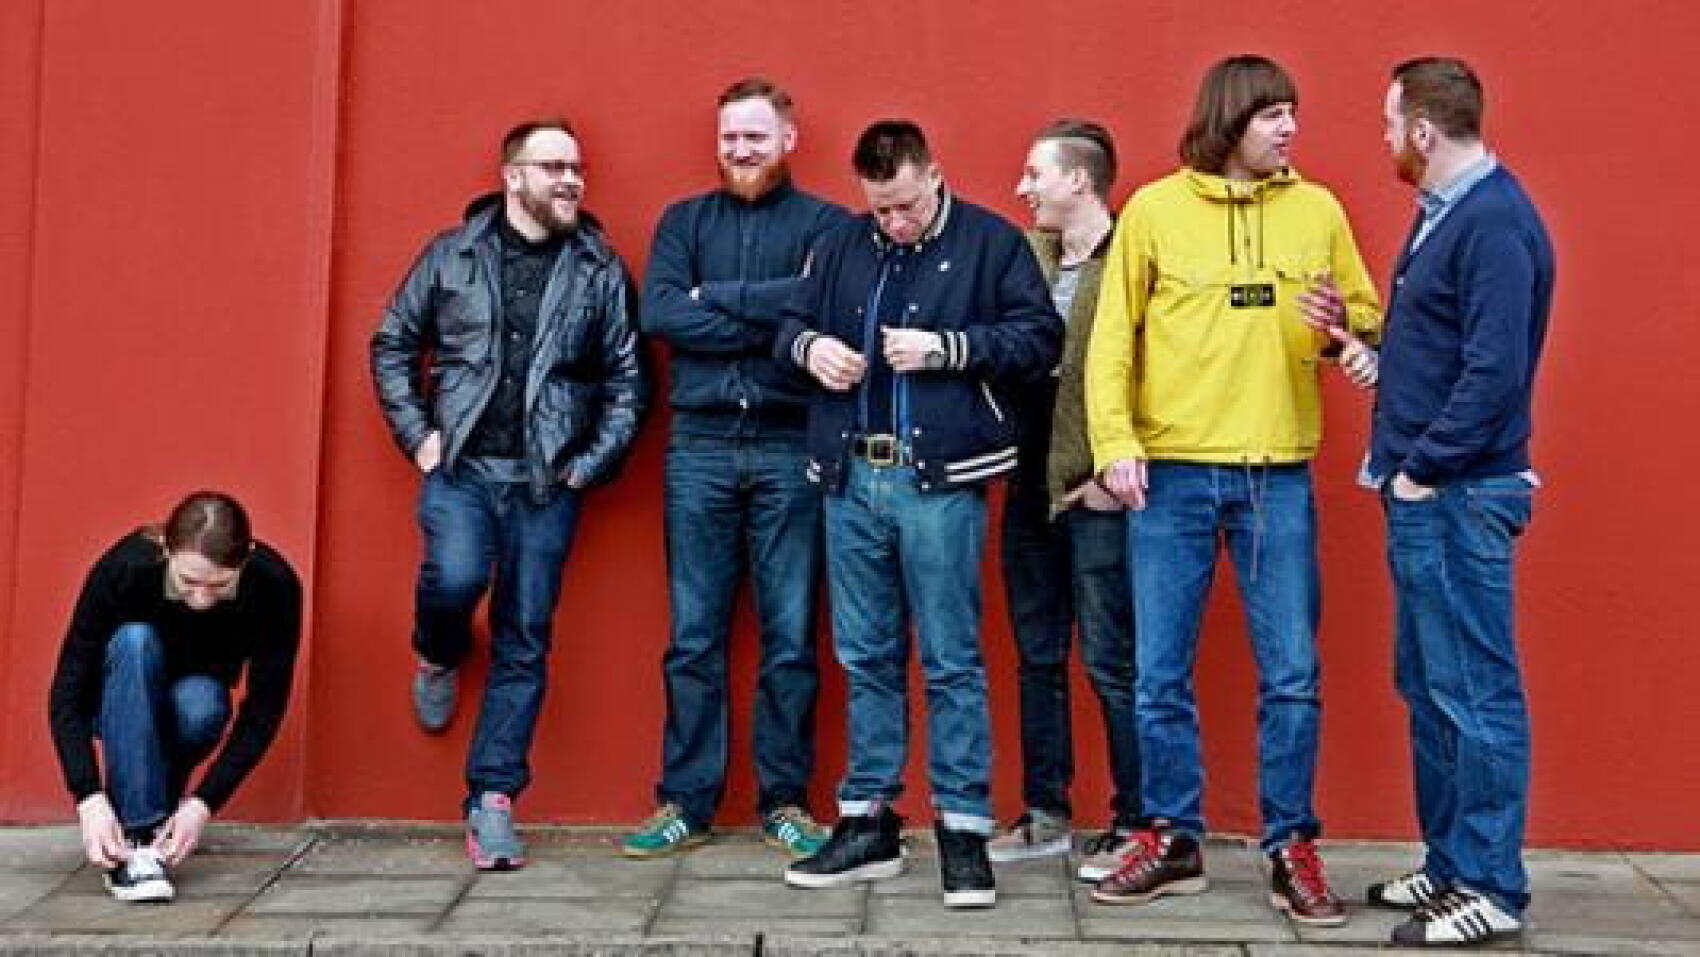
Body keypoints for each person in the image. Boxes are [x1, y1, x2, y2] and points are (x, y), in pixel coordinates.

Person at [1085, 54, 1381, 926]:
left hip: (1275, 473)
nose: (1290, 128)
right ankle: (1172, 837)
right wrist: (1115, 441)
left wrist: (1346, 331)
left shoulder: (1319, 209)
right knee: (1158, 673)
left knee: (1291, 674)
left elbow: (1363, 313)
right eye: (1272, 114)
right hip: (1170, 472)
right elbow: (1112, 340)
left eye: (1293, 112)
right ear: (1229, 120)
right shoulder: (1153, 210)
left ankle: (1291, 846)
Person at [775, 119, 1062, 909]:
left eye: (906, 204)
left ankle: (963, 830)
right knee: (864, 653)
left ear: (934, 173)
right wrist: (811, 352)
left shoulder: (992, 243)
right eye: (881, 209)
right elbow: (789, 328)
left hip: (939, 482)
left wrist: (947, 349)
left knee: (950, 657)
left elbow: (1040, 340)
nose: (895, 221)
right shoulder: (841, 243)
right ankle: (867, 821)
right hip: (850, 475)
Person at [370, 118, 647, 870]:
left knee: (525, 633)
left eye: (576, 168)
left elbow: (629, 380)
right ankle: (438, 648)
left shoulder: (598, 268)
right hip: (462, 467)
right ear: (512, 176)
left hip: (545, 483)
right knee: (455, 578)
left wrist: (587, 466)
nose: (571, 180)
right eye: (553, 167)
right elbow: (393, 343)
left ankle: (492, 799)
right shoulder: (451, 254)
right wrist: (420, 436)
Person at [1356, 57, 1555, 948]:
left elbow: (1494, 372)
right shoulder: (1447, 213)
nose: (1385, 138)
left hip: (1458, 495)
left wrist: (1422, 468)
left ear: (1424, 131)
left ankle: (1491, 886)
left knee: (1475, 691)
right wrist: (1373, 362)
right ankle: (1449, 863)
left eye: (1390, 123)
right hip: (1430, 493)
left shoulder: (1494, 222)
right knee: (1432, 686)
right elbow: (1446, 353)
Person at [622, 77, 847, 861]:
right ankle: (686, 801)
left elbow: (823, 305)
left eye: (754, 136)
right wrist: (775, 318)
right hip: (701, 446)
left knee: (791, 636)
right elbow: (660, 312)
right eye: (729, 138)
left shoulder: (828, 225)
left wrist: (717, 297)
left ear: (789, 138)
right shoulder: (683, 222)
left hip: (791, 445)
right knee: (693, 635)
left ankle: (785, 800)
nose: (740, 150)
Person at [988, 119, 1143, 883]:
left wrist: (1113, 471)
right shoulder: (1026, 256)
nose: (1023, 188)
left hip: (1096, 487)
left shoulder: (1132, 258)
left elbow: (1156, 367)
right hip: (1028, 481)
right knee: (1037, 654)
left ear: (1079, 180)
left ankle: (1137, 819)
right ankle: (1045, 811)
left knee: (1113, 659)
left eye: (1035, 174)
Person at [48, 491, 302, 902]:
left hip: (191, 709)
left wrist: (202, 804)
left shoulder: (274, 585)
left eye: (219, 585)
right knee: (135, 641)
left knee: (202, 701)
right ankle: (137, 840)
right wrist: (88, 797)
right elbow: (67, 693)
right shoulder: (125, 569)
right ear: (166, 549)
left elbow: (264, 709)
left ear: (247, 558)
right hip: (113, 702)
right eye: (188, 582)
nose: (201, 600)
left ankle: (150, 819)